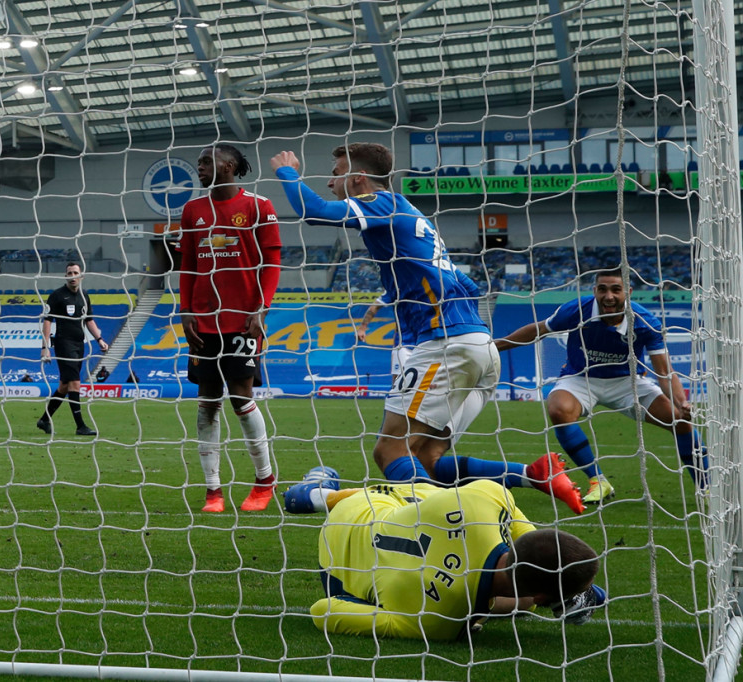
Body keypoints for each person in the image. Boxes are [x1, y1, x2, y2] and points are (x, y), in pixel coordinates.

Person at [271, 143, 583, 514]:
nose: (329, 182)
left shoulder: (380, 201)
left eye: (336, 173)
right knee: (430, 459)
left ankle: (430, 527)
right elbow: (468, 286)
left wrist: (288, 170)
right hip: (476, 347)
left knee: (390, 450)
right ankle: (533, 475)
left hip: (444, 345)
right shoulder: (413, 214)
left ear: (358, 179)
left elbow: (315, 212)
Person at [297, 467, 603, 640]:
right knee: (519, 604)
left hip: (376, 503)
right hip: (336, 560)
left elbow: (535, 542)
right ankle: (323, 494)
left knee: (438, 496)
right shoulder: (438, 623)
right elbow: (324, 609)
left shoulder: (490, 496)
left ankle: (319, 493)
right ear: (543, 596)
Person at [494, 267, 708, 503]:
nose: (609, 296)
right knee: (558, 409)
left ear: (628, 291)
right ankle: (598, 481)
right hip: (581, 378)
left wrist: (682, 403)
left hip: (628, 382)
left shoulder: (644, 321)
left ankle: (706, 486)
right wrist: (495, 346)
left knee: (680, 421)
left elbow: (664, 371)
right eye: (603, 289)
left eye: (616, 290)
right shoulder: (576, 310)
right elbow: (539, 330)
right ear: (595, 290)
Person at [180, 143, 282, 513]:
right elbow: (188, 262)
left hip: (242, 318)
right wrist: (185, 309)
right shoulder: (192, 210)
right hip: (203, 320)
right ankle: (213, 491)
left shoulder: (258, 206)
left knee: (241, 396)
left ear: (227, 165)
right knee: (206, 401)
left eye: (205, 161)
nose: (200, 166)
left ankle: (264, 480)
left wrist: (262, 307)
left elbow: (272, 259)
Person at [38, 262, 109, 436]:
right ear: (66, 276)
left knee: (64, 386)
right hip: (63, 344)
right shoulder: (57, 296)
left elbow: (89, 319)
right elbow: (47, 321)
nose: (72, 276)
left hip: (79, 344)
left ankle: (44, 420)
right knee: (75, 383)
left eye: (75, 272)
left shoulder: (84, 296)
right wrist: (45, 347)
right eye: (69, 273)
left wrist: (99, 338)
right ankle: (80, 426)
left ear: (81, 276)